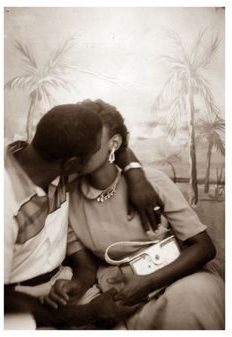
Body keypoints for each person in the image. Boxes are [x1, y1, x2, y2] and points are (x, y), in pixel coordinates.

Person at [62, 99, 224, 330]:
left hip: (175, 276)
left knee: (194, 297)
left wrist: (146, 284)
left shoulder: (152, 180)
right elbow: (85, 268)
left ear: (114, 143)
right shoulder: (68, 199)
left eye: (91, 138)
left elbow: (204, 247)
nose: (80, 146)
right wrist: (75, 286)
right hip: (117, 288)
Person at [4, 103, 160, 329]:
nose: (105, 154)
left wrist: (135, 174)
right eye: (94, 151)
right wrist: (87, 314)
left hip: (63, 285)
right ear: (73, 164)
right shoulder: (6, 206)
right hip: (16, 306)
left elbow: (110, 139)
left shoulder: (50, 159)